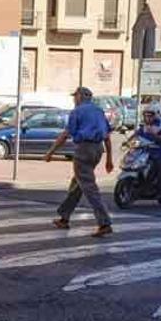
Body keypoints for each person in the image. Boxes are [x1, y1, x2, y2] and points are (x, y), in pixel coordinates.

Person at [44, 87, 114, 238]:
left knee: (89, 187)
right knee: (77, 184)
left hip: (84, 149)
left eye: (75, 97)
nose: (74, 100)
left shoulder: (77, 112)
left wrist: (50, 152)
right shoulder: (99, 111)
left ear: (80, 97)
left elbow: (65, 134)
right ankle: (64, 217)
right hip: (97, 150)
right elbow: (107, 137)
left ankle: (104, 223)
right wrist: (109, 159)